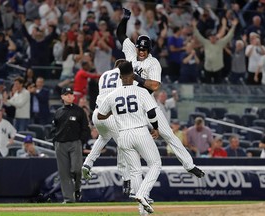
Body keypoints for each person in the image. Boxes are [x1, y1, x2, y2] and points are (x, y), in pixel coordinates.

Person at [116, 8, 205, 178]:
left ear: (149, 50)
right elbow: (120, 34)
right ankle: (126, 176)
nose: (141, 52)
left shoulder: (153, 63)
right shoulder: (130, 53)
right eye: (139, 49)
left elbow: (155, 86)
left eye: (144, 50)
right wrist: (125, 19)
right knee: (121, 136)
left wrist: (134, 76)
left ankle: (189, 165)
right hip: (129, 103)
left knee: (169, 135)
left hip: (146, 101)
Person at [97, 61, 161, 214]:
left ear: (119, 76)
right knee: (156, 164)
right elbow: (151, 114)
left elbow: (100, 115)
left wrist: (114, 112)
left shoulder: (112, 94)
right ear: (133, 74)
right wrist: (156, 128)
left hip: (123, 135)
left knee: (135, 171)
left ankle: (142, 211)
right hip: (140, 131)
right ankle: (141, 193)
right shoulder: (141, 91)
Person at [82, 59, 131, 195]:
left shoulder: (104, 75)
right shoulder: (122, 75)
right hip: (109, 114)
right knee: (123, 142)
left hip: (97, 113)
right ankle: (126, 178)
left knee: (103, 138)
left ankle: (87, 163)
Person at [51, 87, 90, 203]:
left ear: (73, 97)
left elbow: (85, 128)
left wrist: (80, 141)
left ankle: (77, 188)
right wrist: (55, 141)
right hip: (60, 144)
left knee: (77, 169)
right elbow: (53, 128)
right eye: (66, 94)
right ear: (62, 97)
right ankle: (69, 199)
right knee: (64, 173)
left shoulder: (79, 111)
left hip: (75, 143)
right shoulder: (58, 112)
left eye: (71, 94)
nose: (69, 96)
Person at [192, 18, 238, 83]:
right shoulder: (206, 42)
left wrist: (233, 26)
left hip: (218, 68)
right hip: (208, 68)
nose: (213, 38)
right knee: (208, 84)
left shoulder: (221, 43)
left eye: (214, 36)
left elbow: (229, 36)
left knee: (218, 84)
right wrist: (194, 27)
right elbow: (198, 36)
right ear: (209, 37)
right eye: (211, 37)